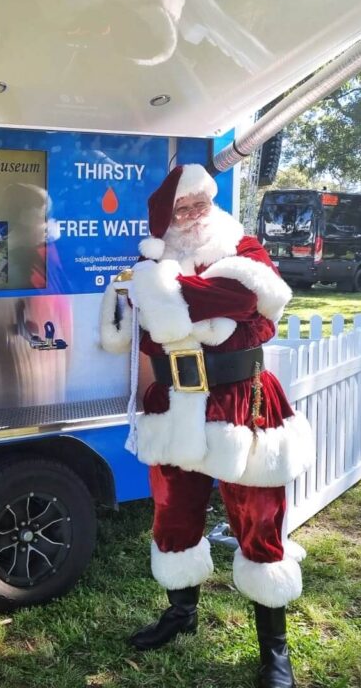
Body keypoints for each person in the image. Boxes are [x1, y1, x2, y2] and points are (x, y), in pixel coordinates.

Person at [100, 164, 313, 688]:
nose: (194, 216)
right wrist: (179, 296)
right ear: (166, 219)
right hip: (175, 403)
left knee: (260, 520)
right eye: (182, 209)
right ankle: (181, 613)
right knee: (174, 514)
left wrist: (166, 291)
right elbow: (151, 340)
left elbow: (250, 300)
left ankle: (275, 651)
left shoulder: (244, 248)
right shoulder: (152, 271)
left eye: (200, 205)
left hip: (244, 403)